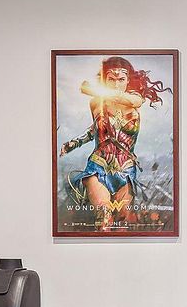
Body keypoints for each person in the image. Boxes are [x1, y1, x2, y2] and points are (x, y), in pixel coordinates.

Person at [59, 56, 171, 230]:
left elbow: (132, 101)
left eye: (121, 79)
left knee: (122, 223)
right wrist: (75, 143)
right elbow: (96, 128)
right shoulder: (96, 102)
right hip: (98, 166)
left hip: (126, 170)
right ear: (105, 80)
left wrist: (95, 90)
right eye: (111, 79)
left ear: (128, 80)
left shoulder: (135, 99)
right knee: (103, 218)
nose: (116, 84)